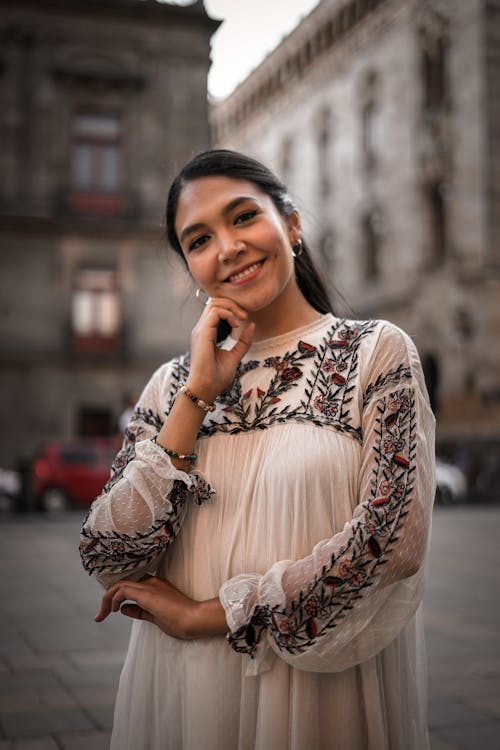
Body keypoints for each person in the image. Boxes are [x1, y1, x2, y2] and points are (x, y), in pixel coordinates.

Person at [80, 149, 436, 750]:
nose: (228, 247)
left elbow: (391, 542)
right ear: (191, 268)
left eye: (243, 217)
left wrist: (209, 615)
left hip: (319, 698)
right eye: (199, 240)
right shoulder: (172, 387)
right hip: (185, 698)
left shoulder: (375, 352)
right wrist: (197, 395)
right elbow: (108, 557)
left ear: (291, 223)